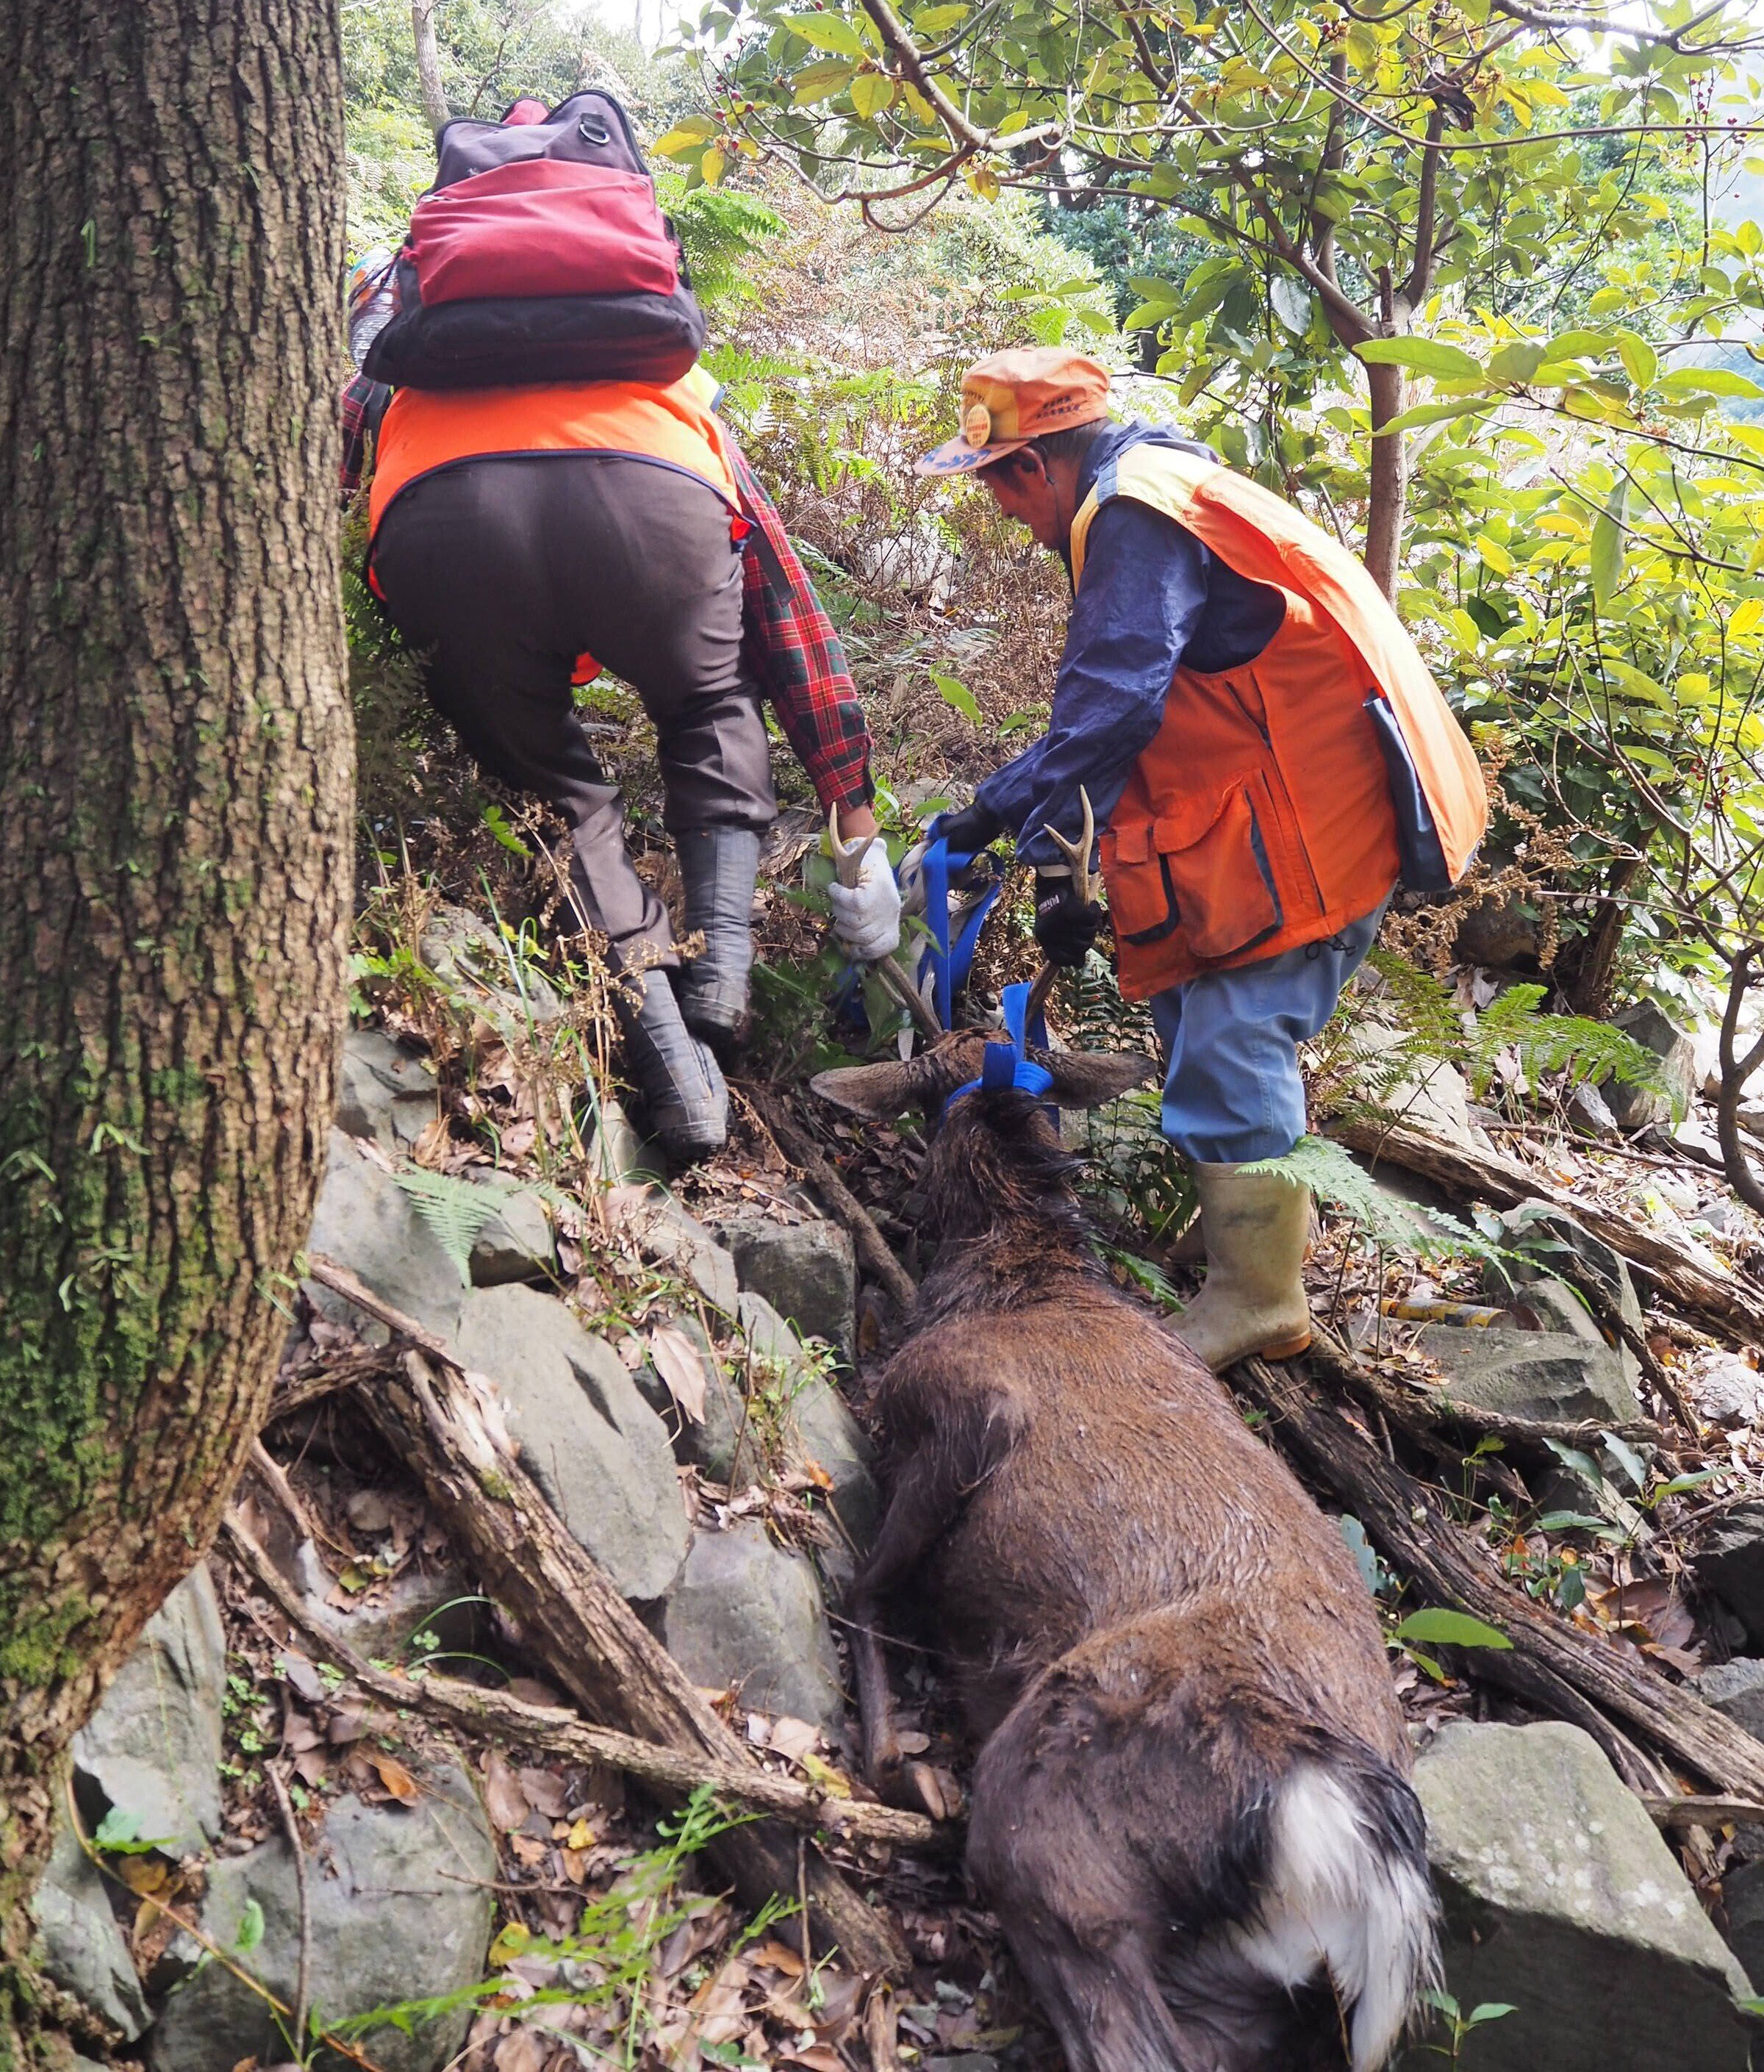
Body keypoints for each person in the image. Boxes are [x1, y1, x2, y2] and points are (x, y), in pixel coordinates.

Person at [911, 348, 1488, 1371]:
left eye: (996, 481)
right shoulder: (1151, 489)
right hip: (1292, 794)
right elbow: (1116, 704)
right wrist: (987, 815)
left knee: (1231, 1028)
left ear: (1038, 466)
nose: (997, 507)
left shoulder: (1132, 516)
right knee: (1203, 1012)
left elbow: (1118, 700)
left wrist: (1052, 862)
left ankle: (1259, 1297)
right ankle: (1242, 1237)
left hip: (1317, 813)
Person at [340, 249, 900, 1166]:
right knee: (711, 703)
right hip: (657, 504)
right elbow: (783, 604)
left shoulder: (390, 365)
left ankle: (673, 1071)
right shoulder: (661, 368)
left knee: (561, 792)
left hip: (445, 524)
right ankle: (721, 968)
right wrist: (853, 805)